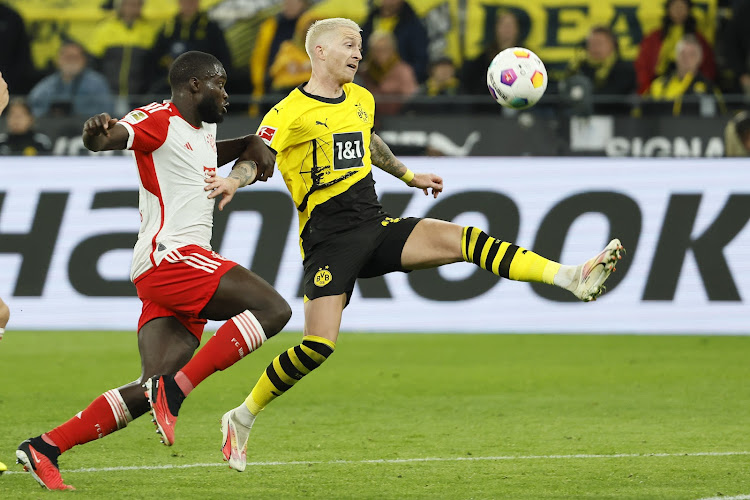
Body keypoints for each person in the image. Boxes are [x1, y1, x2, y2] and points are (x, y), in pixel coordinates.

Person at [144, 18, 625, 473]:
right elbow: (259, 154)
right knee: (317, 346)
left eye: (359, 44)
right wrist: (235, 181)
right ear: (320, 51)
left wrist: (410, 176)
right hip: (328, 239)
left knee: (464, 239)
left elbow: (370, 143)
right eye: (349, 44)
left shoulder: (361, 98)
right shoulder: (289, 111)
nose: (358, 51)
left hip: (373, 222)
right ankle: (243, 416)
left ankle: (569, 276)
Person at [15, 51, 292, 491]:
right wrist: (97, 135)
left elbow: (205, 155)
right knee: (274, 310)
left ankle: (44, 447)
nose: (226, 92)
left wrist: (248, 145)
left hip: (165, 269)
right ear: (194, 85)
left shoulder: (202, 129)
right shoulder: (157, 118)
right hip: (174, 257)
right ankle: (177, 391)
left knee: (149, 387)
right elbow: (113, 137)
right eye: (219, 84)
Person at [87, 0, 160, 115]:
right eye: (127, 3)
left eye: (136, 4)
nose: (131, 7)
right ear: (120, 6)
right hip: (108, 94)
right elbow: (93, 63)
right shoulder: (104, 29)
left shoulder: (149, 31)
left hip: (138, 96)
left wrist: (147, 90)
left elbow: (152, 66)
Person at [147, 0, 233, 95]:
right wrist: (169, 65)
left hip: (203, 88)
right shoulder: (167, 29)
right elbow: (154, 60)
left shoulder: (211, 28)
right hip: (170, 88)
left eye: (192, 1)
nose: (188, 4)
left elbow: (224, 61)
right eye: (185, 1)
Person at [634, 0, 716, 95]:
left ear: (688, 10)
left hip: (692, 86)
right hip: (660, 85)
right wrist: (647, 87)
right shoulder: (654, 38)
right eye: (675, 7)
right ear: (668, 9)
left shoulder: (699, 39)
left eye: (682, 7)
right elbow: (643, 65)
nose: (678, 11)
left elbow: (708, 67)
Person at [250, 0, 311, 114]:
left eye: (294, 2)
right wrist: (260, 83)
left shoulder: (310, 25)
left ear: (304, 3)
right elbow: (259, 58)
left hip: (302, 86)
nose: (289, 4)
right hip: (272, 86)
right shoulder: (271, 25)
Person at [641, 34, 724, 116]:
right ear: (676, 56)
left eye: (692, 54)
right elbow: (645, 116)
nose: (686, 58)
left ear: (700, 58)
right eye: (682, 53)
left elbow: (716, 121)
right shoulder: (659, 84)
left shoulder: (709, 89)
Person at [561, 26, 636, 115]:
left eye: (599, 43)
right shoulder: (579, 67)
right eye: (591, 44)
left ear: (613, 44)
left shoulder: (624, 69)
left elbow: (613, 97)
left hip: (618, 121)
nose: (595, 48)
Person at [27, 41, 114, 118]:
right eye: (68, 57)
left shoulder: (97, 83)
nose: (71, 61)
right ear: (58, 60)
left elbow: (107, 111)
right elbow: (32, 108)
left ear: (84, 60)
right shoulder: (47, 85)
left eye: (75, 57)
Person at [361, 0, 428, 82]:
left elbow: (420, 60)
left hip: (401, 85)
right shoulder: (369, 22)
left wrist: (407, 78)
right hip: (369, 81)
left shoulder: (414, 26)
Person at [462, 9, 523, 97]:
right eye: (504, 25)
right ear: (497, 28)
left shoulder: (528, 56)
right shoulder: (484, 58)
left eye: (510, 25)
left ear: (517, 29)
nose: (507, 30)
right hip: (489, 107)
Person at [358, 31, 418, 115]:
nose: (380, 54)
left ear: (393, 50)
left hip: (398, 118)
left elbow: (411, 98)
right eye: (376, 50)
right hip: (370, 117)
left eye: (384, 49)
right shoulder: (363, 71)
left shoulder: (403, 71)